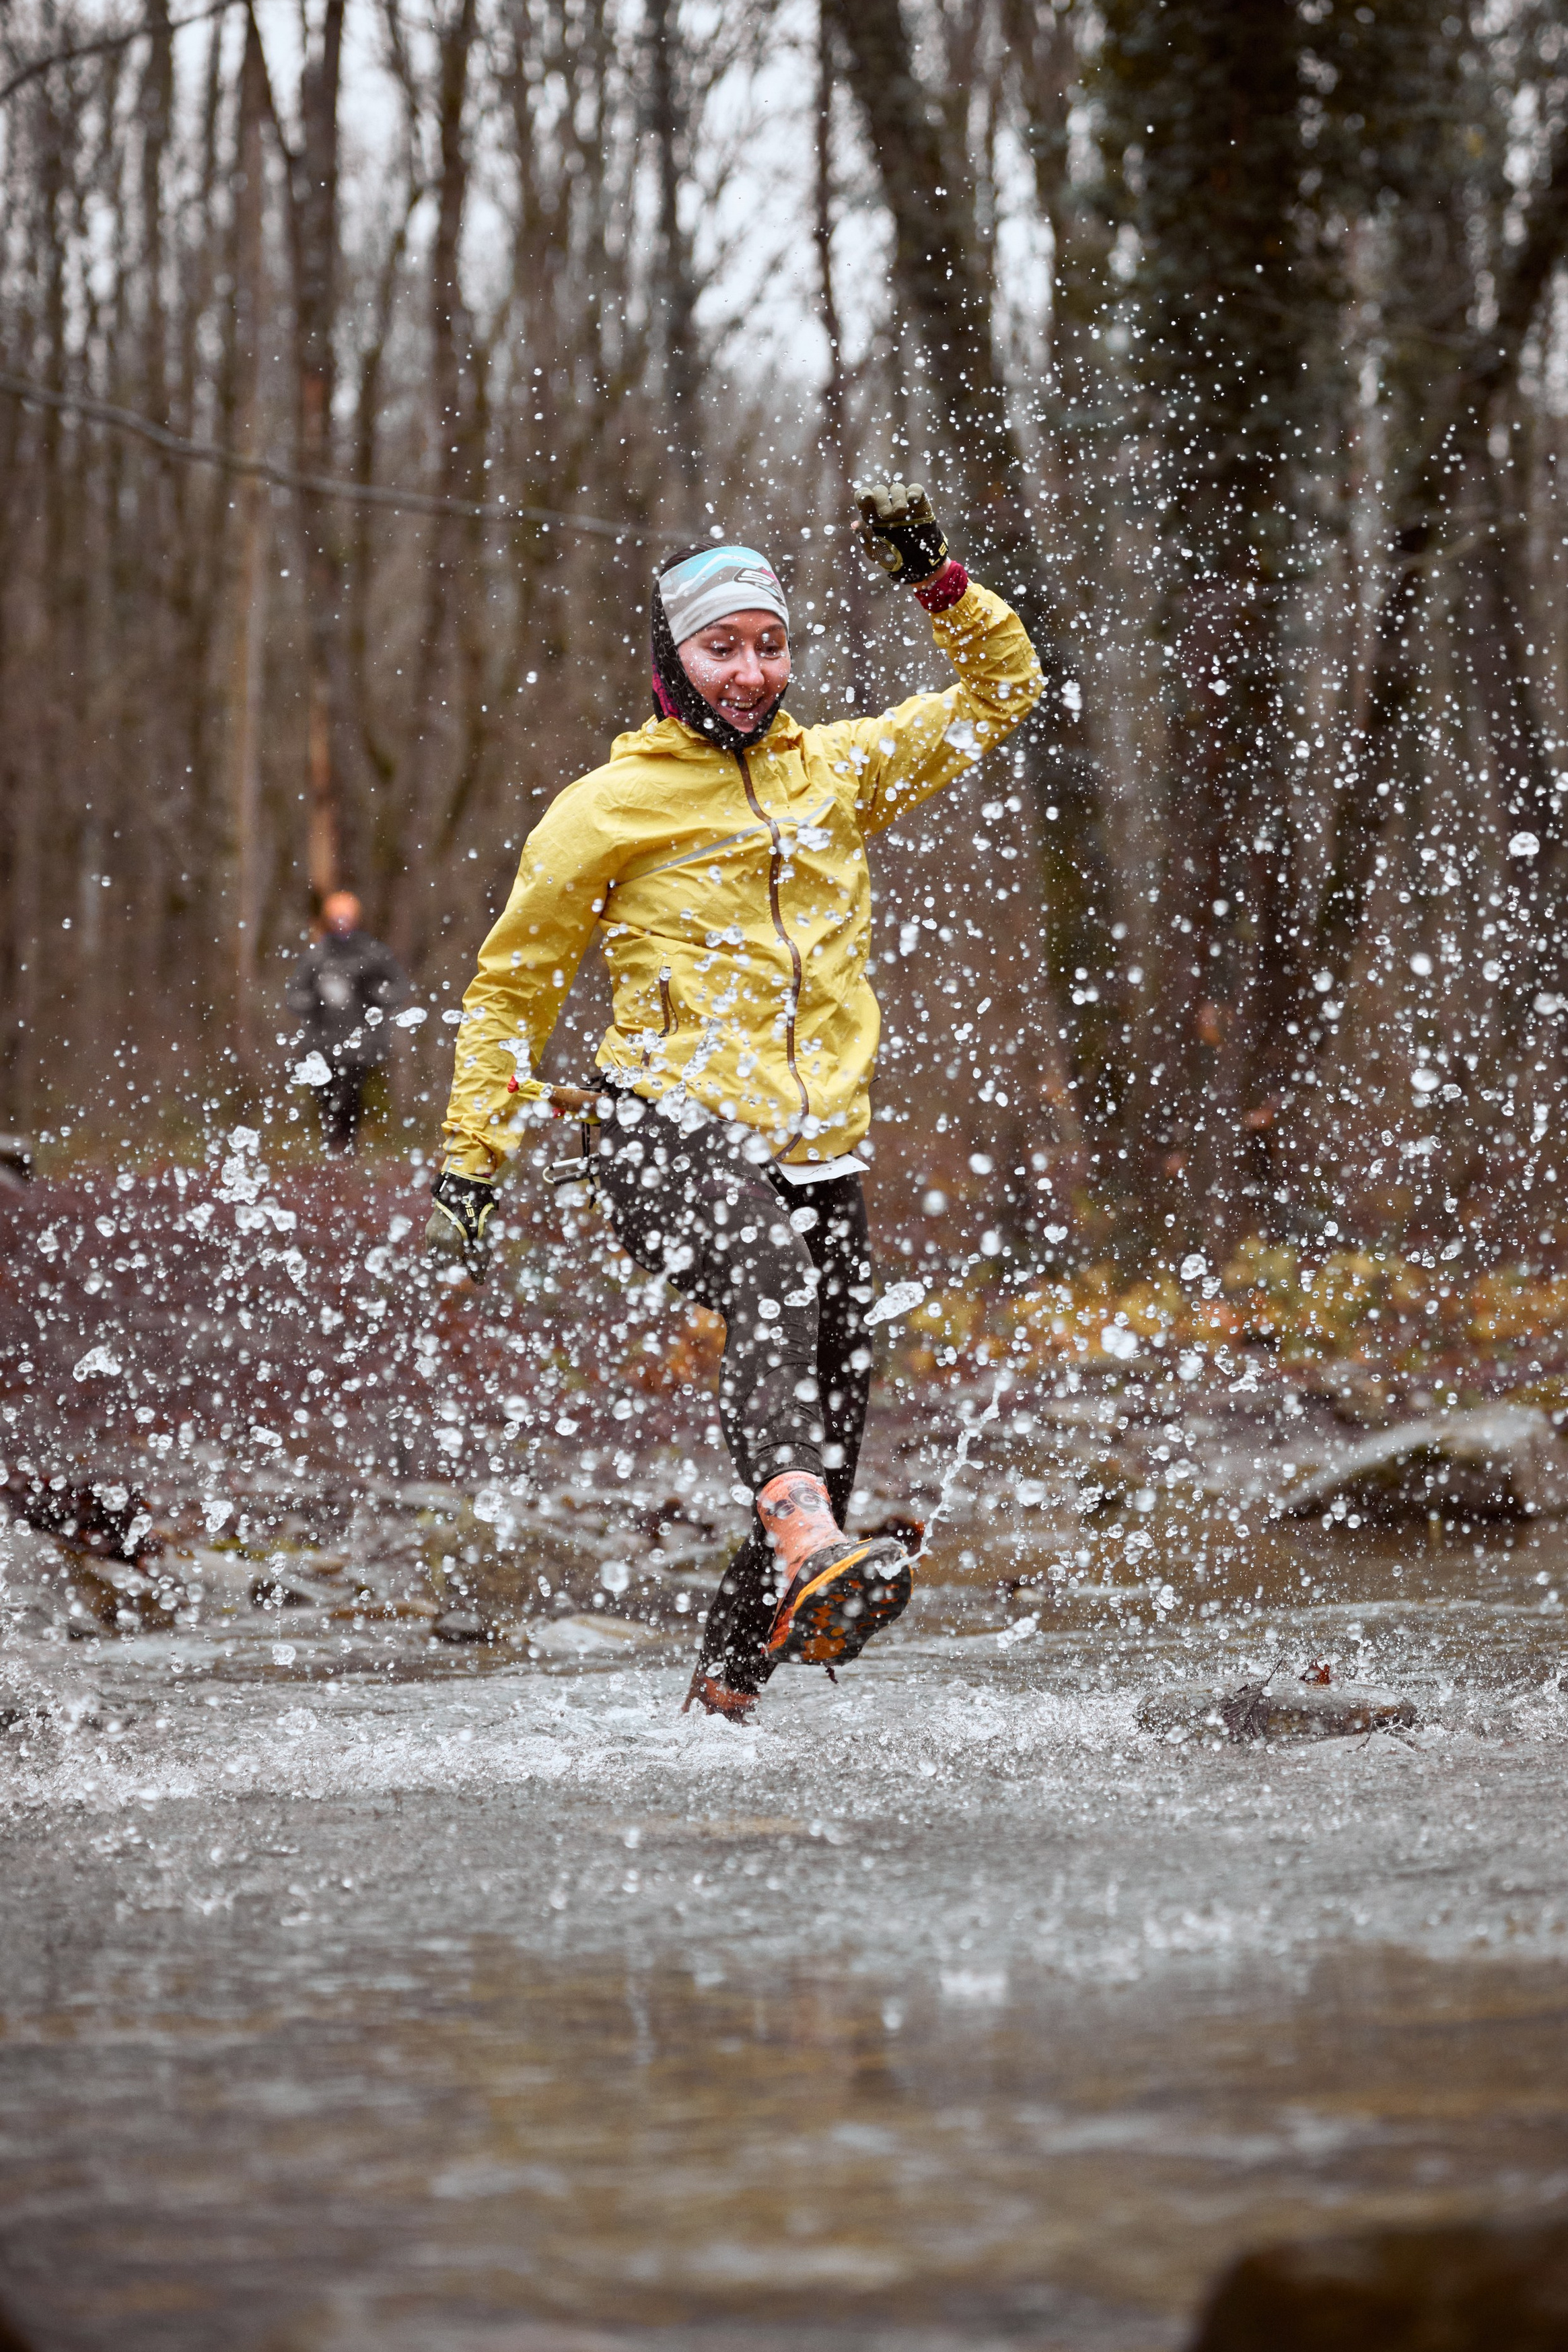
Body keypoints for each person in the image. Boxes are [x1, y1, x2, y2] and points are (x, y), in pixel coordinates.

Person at [427, 483, 1044, 1719]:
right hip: (656, 1133)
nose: (751, 673)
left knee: (834, 1431)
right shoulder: (604, 811)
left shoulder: (841, 775)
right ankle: (801, 1531)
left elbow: (1002, 694)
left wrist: (941, 586)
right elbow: (511, 992)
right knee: (769, 1284)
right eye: (723, 648)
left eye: (770, 645)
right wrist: (471, 1161)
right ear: (672, 660)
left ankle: (723, 1701)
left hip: (815, 1152)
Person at [287, 892, 413, 1154]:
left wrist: (373, 992)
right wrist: (313, 1000)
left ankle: (348, 1146)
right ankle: (332, 1143)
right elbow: (294, 996)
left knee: (351, 1095)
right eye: (336, 918)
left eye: (346, 918)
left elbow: (398, 989)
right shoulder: (317, 957)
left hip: (360, 1043)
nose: (342, 923)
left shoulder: (373, 954)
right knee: (325, 1095)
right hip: (321, 1042)